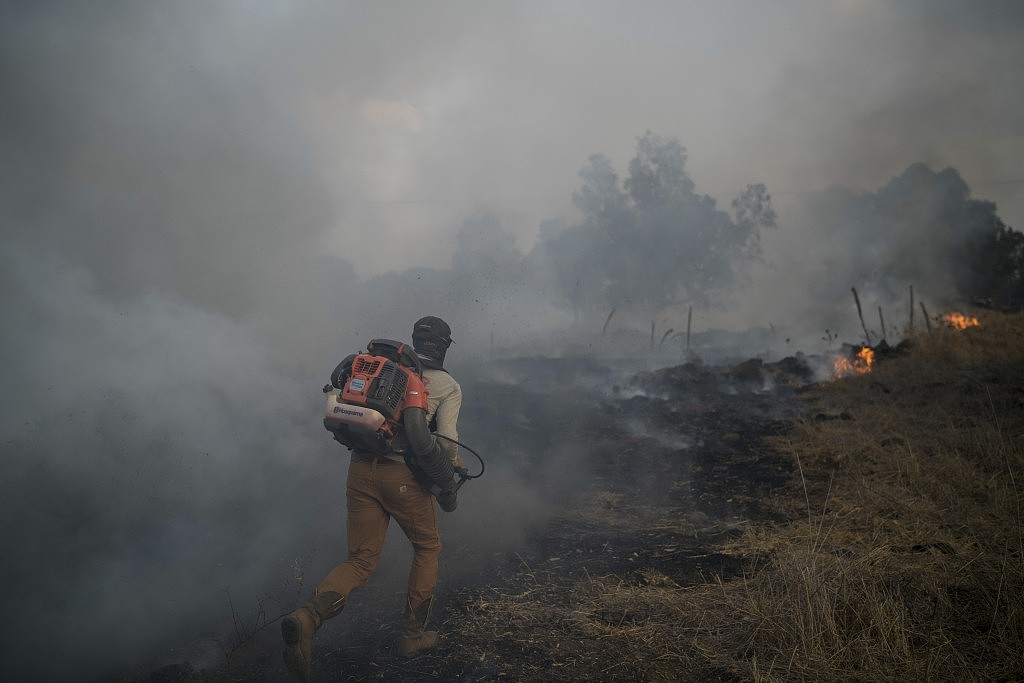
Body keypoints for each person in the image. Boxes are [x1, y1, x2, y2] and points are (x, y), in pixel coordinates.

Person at [281, 316, 463, 682]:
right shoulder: (447, 385)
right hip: (403, 478)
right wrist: (450, 472)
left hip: (361, 470)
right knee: (427, 548)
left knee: (362, 560)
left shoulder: (378, 367)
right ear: (444, 347)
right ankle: (413, 637)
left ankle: (308, 618)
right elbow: (444, 443)